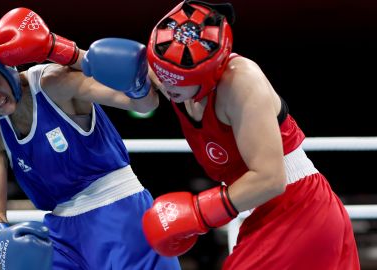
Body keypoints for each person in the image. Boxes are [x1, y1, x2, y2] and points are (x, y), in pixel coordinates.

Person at [0, 7, 181, 270]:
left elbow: (144, 104)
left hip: (120, 211)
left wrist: (58, 48)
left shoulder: (54, 84)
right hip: (62, 234)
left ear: (5, 66)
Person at [141, 1, 360, 269]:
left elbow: (270, 178)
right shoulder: (167, 65)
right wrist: (77, 56)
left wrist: (199, 212)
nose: (166, 84)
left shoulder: (241, 82)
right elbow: (115, 80)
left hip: (298, 209)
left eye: (178, 80)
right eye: (163, 74)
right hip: (259, 211)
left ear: (210, 71)